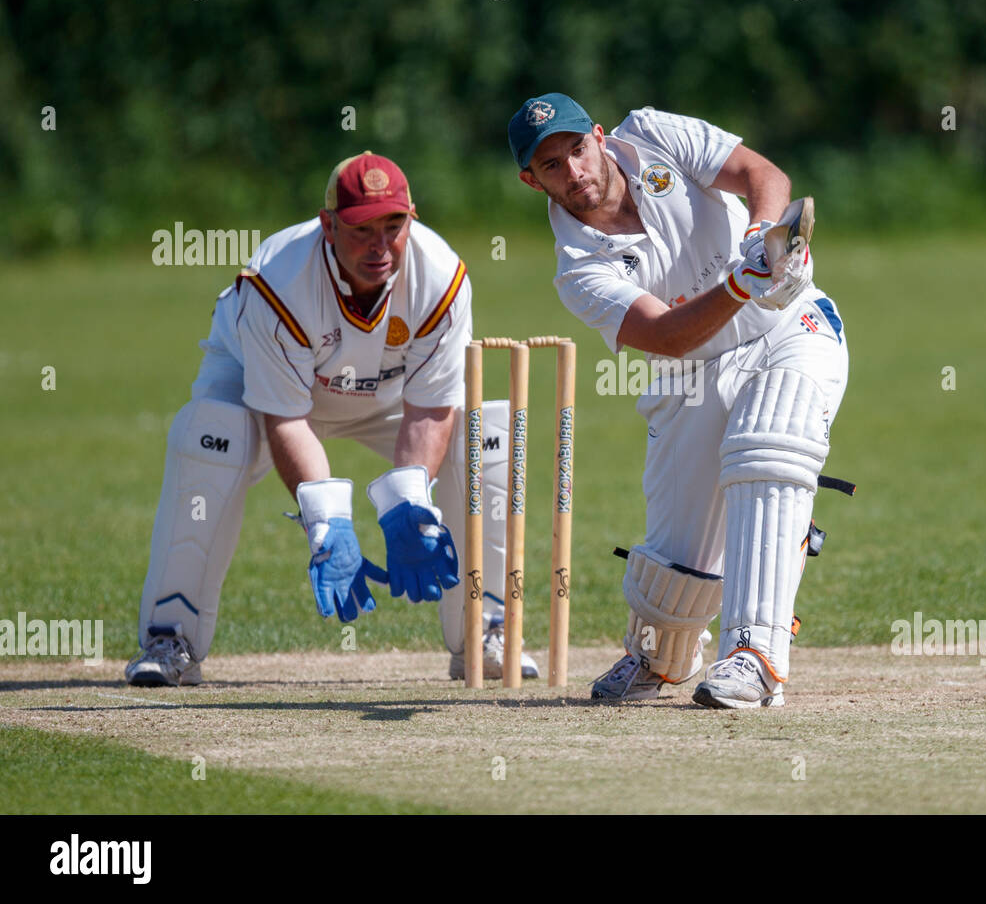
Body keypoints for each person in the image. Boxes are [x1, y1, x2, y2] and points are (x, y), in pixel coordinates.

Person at [127, 151, 537, 685]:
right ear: (327, 225)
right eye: (362, 228)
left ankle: (487, 629)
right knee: (211, 439)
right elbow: (287, 419)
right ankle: (170, 636)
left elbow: (432, 408)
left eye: (394, 226)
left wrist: (409, 503)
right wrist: (327, 524)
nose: (380, 245)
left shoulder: (442, 278)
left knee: (490, 436)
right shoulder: (277, 279)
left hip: (390, 397)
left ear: (412, 217)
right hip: (263, 387)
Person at [508, 95, 849, 708]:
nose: (576, 172)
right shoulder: (577, 267)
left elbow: (764, 176)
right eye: (552, 166)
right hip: (692, 367)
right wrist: (742, 283)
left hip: (789, 328)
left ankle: (755, 656)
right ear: (533, 181)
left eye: (577, 149)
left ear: (599, 136)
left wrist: (759, 239)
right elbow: (666, 336)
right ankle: (663, 659)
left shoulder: (653, 133)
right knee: (676, 559)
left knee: (767, 446)